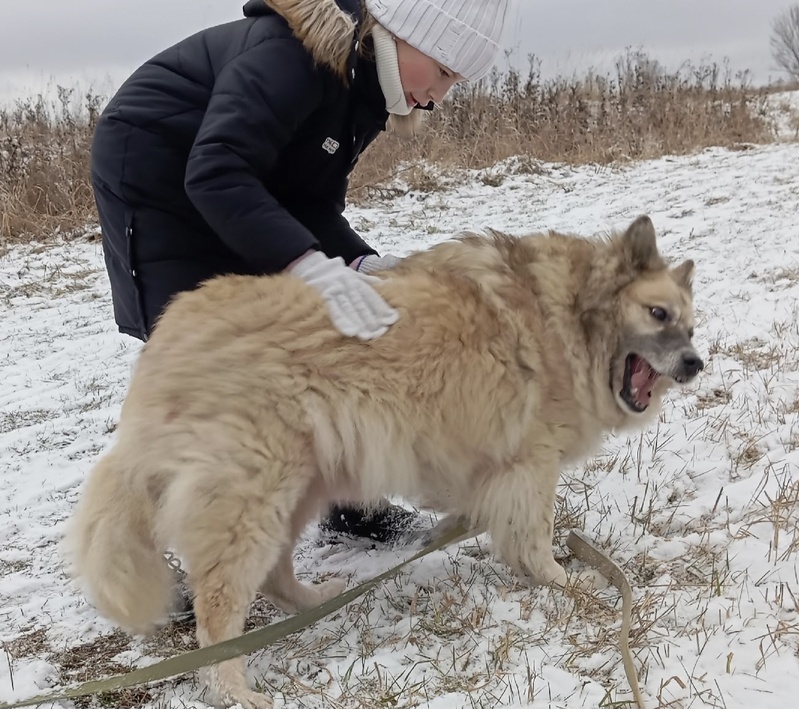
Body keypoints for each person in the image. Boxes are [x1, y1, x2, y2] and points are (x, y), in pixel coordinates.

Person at [90, 0, 513, 547]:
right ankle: (146, 542)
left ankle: (353, 502)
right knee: (203, 357)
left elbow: (306, 201)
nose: (438, 97)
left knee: (318, 340)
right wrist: (307, 264)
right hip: (156, 170)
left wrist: (358, 262)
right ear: (407, 35)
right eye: (444, 72)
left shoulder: (365, 89)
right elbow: (217, 170)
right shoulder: (293, 56)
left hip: (227, 176)